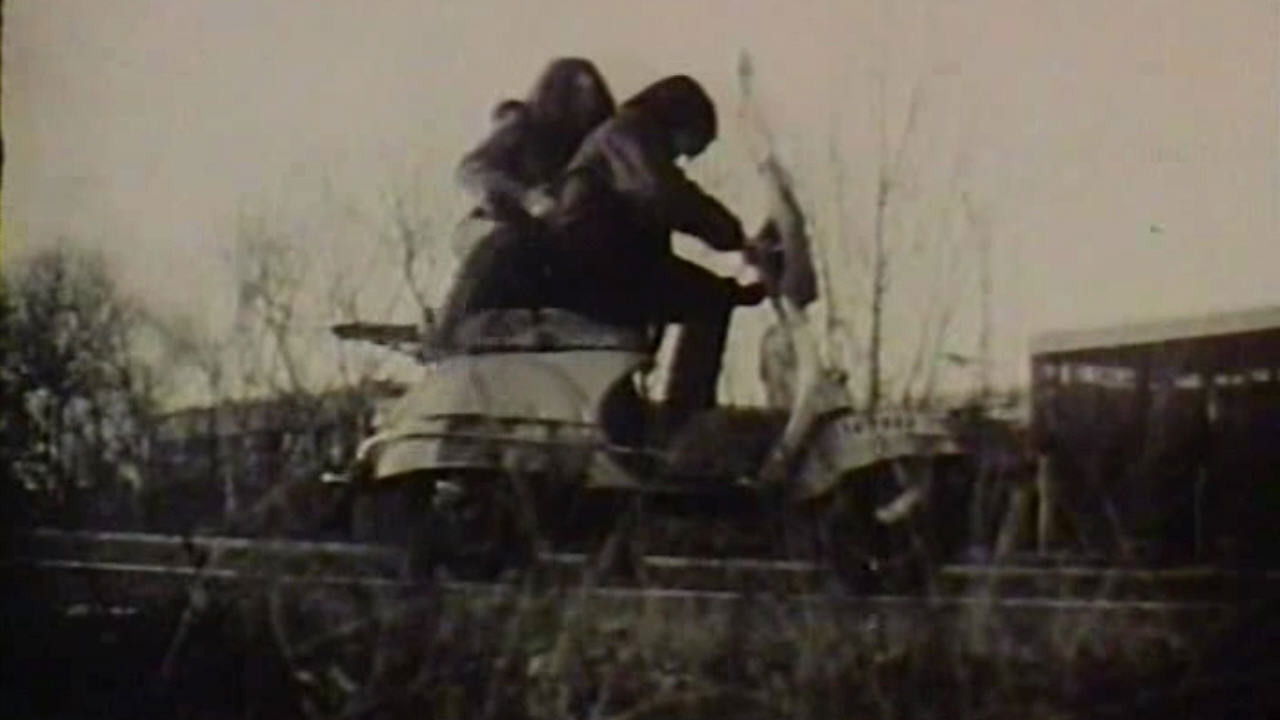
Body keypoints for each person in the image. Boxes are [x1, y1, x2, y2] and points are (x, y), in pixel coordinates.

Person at [543, 75, 765, 430]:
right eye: (682, 149)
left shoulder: (626, 136)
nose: (678, 159)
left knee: (713, 294)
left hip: (604, 261)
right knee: (709, 301)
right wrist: (732, 235)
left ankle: (647, 427)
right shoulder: (627, 133)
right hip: (595, 261)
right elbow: (663, 193)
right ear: (679, 118)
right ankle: (686, 422)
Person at [433, 58, 617, 349]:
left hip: (543, 236)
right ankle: (448, 326)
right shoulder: (523, 123)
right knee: (500, 245)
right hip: (494, 221)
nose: (587, 101)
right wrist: (525, 197)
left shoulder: (589, 143)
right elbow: (472, 169)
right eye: (578, 92)